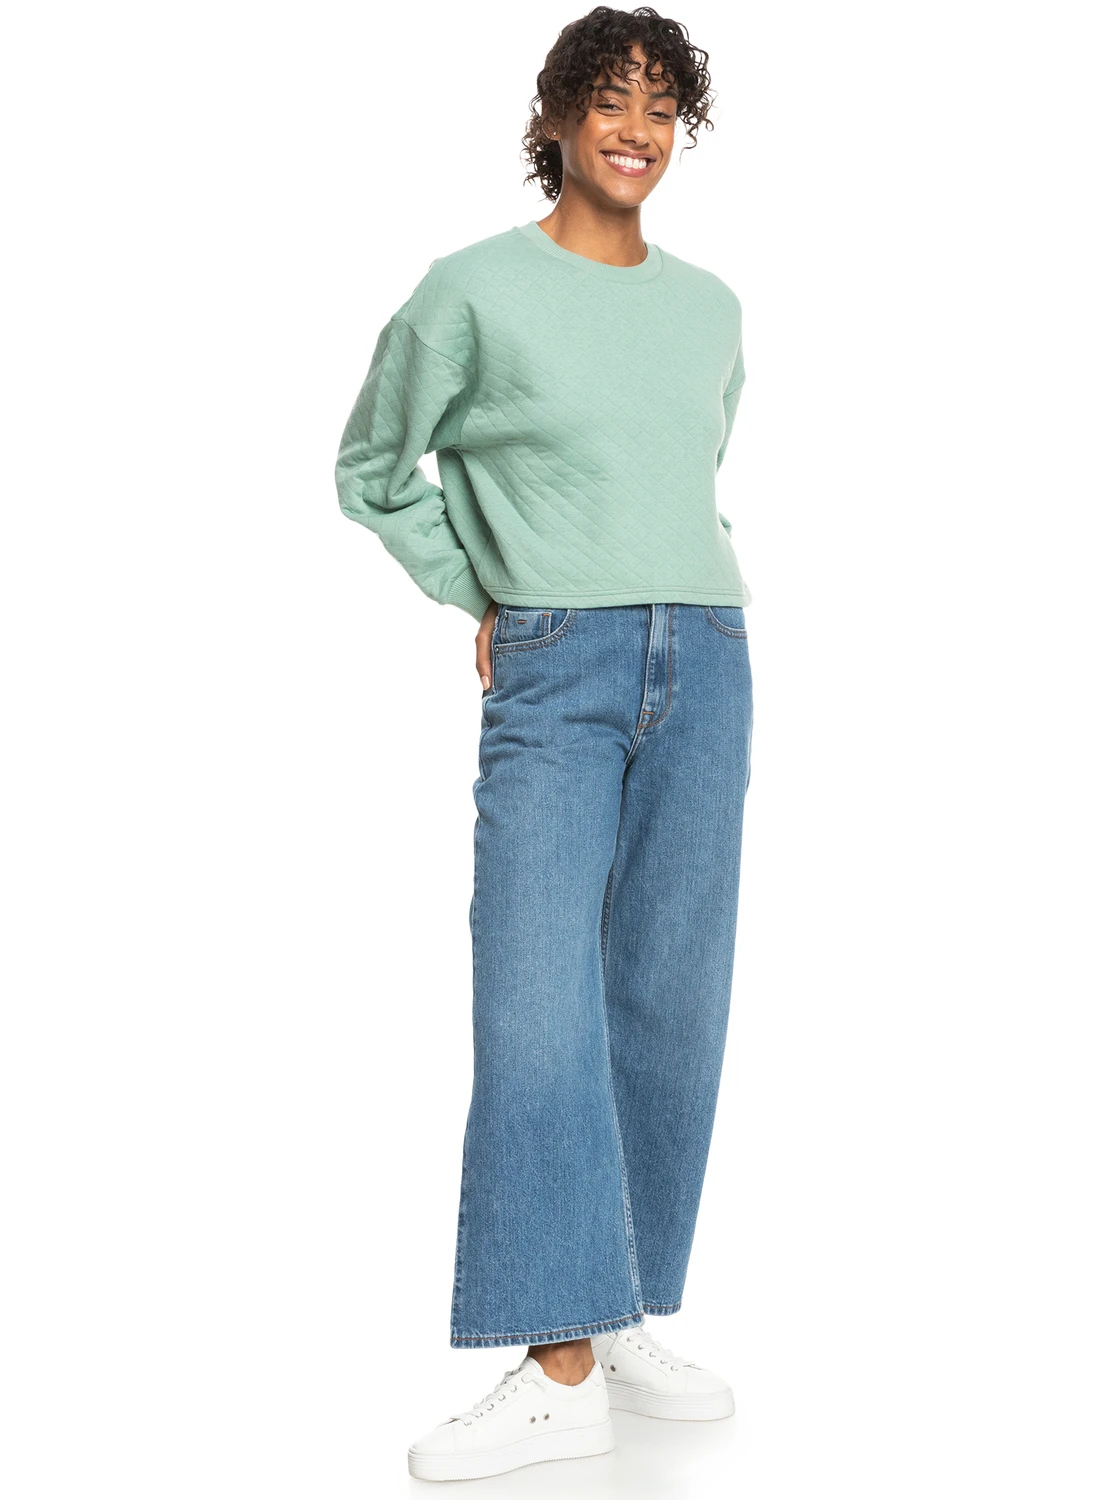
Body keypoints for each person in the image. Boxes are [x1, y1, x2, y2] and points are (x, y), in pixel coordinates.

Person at [334, 6, 755, 1483]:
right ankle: (556, 1362)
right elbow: (372, 466)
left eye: (662, 107)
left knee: (670, 993)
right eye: (611, 101)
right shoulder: (470, 291)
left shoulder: (712, 307)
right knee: (533, 994)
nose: (637, 131)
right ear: (559, 119)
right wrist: (485, 591)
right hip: (557, 663)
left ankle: (614, 1303)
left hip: (708, 653)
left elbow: (679, 469)